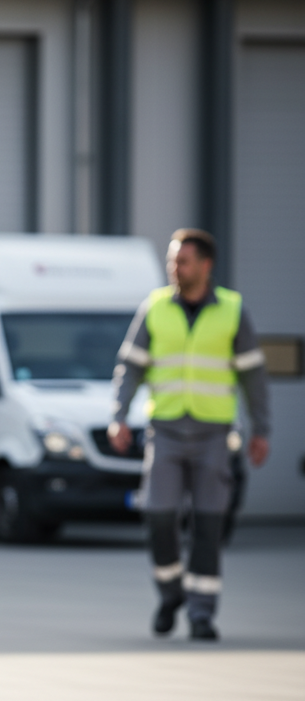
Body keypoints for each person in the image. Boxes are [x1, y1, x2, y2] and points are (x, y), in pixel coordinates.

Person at [108, 228, 270, 640]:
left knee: (208, 525)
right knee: (158, 515)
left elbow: (253, 377)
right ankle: (170, 593)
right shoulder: (155, 307)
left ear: (205, 265)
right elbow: (131, 367)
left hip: (213, 434)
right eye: (171, 261)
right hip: (165, 432)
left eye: (182, 261)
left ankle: (201, 613)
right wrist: (118, 415)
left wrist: (261, 429)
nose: (174, 268)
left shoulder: (232, 311)